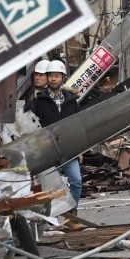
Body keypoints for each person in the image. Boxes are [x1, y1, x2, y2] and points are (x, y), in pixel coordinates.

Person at [25, 60, 83, 208]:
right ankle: (52, 215)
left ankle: (72, 212)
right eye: (50, 75)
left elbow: (77, 125)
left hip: (68, 148)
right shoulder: (39, 100)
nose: (53, 79)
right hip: (48, 150)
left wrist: (80, 149)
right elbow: (30, 125)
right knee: (48, 185)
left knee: (76, 181)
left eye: (57, 76)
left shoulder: (71, 100)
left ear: (62, 78)